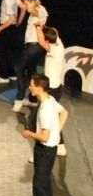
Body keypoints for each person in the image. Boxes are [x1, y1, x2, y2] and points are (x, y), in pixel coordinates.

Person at [21, 74, 67, 196]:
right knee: (44, 181)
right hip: (48, 149)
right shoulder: (50, 99)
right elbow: (64, 113)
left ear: (39, 88)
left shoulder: (46, 109)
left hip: (45, 149)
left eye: (32, 85)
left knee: (39, 184)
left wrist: (29, 133)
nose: (30, 87)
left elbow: (44, 137)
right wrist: (57, 131)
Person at [12, 0, 49, 113]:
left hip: (34, 46)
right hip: (32, 46)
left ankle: (20, 98)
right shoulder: (37, 7)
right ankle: (32, 100)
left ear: (33, 2)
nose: (25, 5)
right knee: (31, 72)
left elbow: (32, 11)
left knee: (18, 68)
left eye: (27, 3)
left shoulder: (40, 9)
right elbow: (30, 4)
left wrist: (31, 3)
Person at [36, 25, 67, 157]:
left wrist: (37, 27)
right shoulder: (58, 42)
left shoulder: (55, 50)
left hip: (53, 88)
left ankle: (60, 144)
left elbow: (41, 42)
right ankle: (59, 143)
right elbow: (56, 31)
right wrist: (45, 27)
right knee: (49, 117)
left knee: (51, 117)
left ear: (48, 40)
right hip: (55, 86)